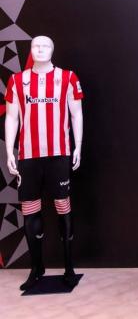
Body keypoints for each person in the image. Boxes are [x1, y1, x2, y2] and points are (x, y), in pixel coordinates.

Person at [4, 35, 83, 290]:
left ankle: (69, 266)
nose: (40, 49)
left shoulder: (68, 77)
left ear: (53, 49)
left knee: (63, 206)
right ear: (30, 50)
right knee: (30, 209)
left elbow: (76, 113)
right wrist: (9, 152)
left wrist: (77, 146)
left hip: (59, 153)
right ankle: (36, 268)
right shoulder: (17, 80)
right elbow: (12, 118)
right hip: (28, 156)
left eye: (45, 45)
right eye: (36, 46)